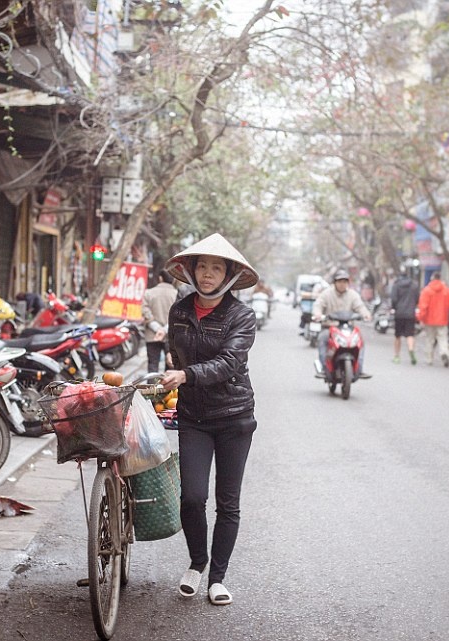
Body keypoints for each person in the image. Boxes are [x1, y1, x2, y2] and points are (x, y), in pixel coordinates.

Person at [159, 233, 260, 607]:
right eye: (202, 266)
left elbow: (231, 362)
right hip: (193, 416)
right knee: (192, 497)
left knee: (227, 502)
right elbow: (176, 352)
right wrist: (172, 373)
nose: (207, 274)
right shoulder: (179, 310)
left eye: (216, 268)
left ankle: (217, 577)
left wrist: (186, 375)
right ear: (191, 270)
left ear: (229, 275)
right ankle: (197, 562)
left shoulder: (242, 315)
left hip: (235, 418)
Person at [312, 269, 373, 378]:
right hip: (330, 327)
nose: (342, 284)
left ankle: (359, 368)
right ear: (334, 282)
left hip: (347, 328)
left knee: (360, 342)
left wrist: (366, 314)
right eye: (339, 281)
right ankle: (324, 367)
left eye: (344, 282)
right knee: (322, 338)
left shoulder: (353, 295)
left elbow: (360, 307)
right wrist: (317, 314)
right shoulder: (326, 294)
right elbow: (318, 305)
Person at [141, 270, 178, 373]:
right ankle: (168, 389)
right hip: (171, 336)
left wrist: (157, 328)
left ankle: (151, 389)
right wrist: (165, 329)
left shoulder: (149, 293)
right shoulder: (177, 294)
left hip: (152, 335)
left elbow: (145, 311)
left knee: (153, 365)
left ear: (161, 278)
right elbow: (178, 315)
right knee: (171, 365)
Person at [417, 272, 449, 367]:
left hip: (429, 320)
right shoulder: (446, 290)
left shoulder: (427, 291)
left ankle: (429, 359)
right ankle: (444, 353)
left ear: (432, 278)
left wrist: (420, 318)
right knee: (443, 338)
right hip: (443, 319)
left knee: (429, 339)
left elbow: (423, 306)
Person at [390, 265, 419, 365]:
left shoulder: (396, 284)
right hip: (410, 313)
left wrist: (394, 307)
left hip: (399, 313)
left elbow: (393, 299)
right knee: (410, 335)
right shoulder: (414, 285)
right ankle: (411, 350)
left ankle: (397, 356)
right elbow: (417, 299)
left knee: (397, 336)